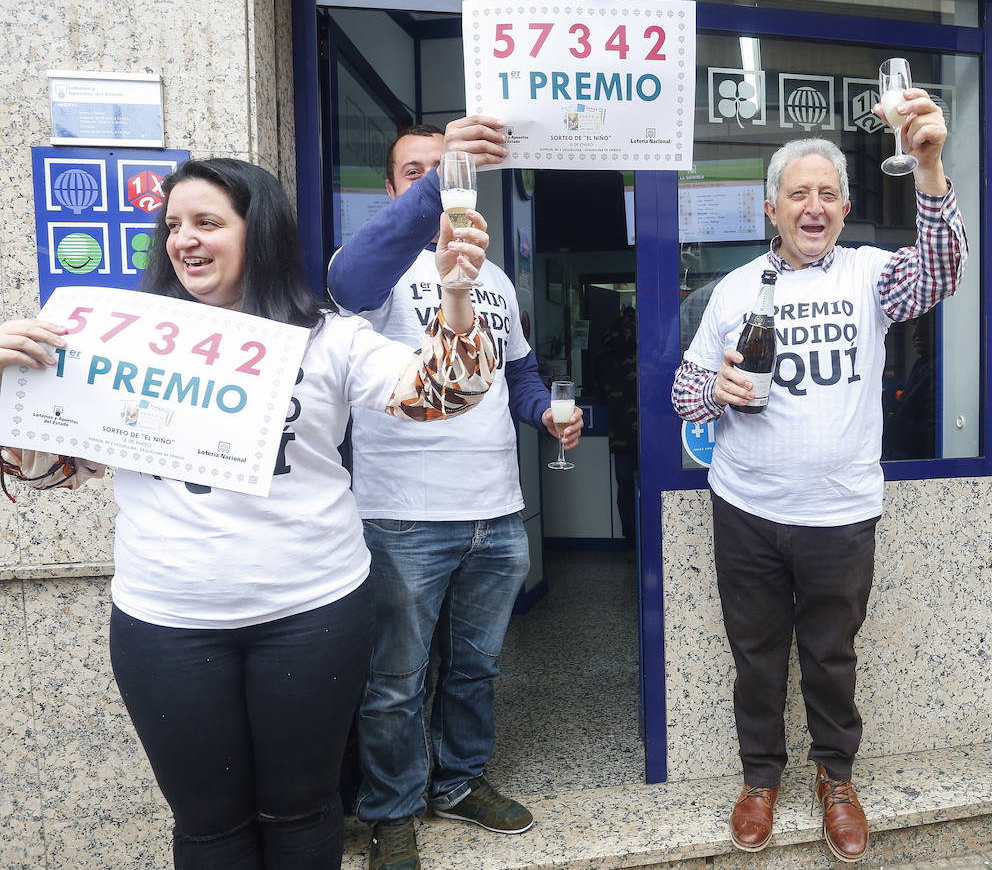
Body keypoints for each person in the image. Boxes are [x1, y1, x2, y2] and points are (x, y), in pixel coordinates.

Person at [0, 157, 496, 869]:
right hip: (166, 623)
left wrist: (455, 295)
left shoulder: (328, 337)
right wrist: (11, 397)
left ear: (257, 231)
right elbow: (48, 472)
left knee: (304, 811)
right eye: (173, 224)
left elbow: (445, 394)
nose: (184, 240)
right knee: (209, 825)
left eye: (207, 222)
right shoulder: (117, 339)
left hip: (312, 612)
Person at [671, 86, 968, 863]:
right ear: (771, 210)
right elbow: (680, 391)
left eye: (827, 194)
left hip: (841, 512)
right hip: (747, 508)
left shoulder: (870, 275)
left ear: (842, 209)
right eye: (798, 194)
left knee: (833, 656)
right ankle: (760, 780)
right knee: (757, 654)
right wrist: (715, 389)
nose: (813, 206)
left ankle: (836, 779)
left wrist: (929, 165)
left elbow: (943, 273)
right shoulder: (731, 291)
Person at [327, 118, 581, 870]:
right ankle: (392, 811)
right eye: (417, 172)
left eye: (448, 169)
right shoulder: (377, 271)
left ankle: (459, 782)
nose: (436, 181)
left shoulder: (494, 276)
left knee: (476, 668)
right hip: (403, 517)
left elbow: (519, 373)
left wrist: (545, 413)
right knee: (395, 681)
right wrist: (444, 186)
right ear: (391, 188)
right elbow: (344, 281)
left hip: (496, 511)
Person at [593, 304, 638, 560]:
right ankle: (650, 538)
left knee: (625, 487)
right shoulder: (648, 331)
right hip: (648, 428)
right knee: (648, 484)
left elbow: (597, 376)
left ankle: (631, 542)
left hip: (619, 426)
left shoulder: (608, 335)